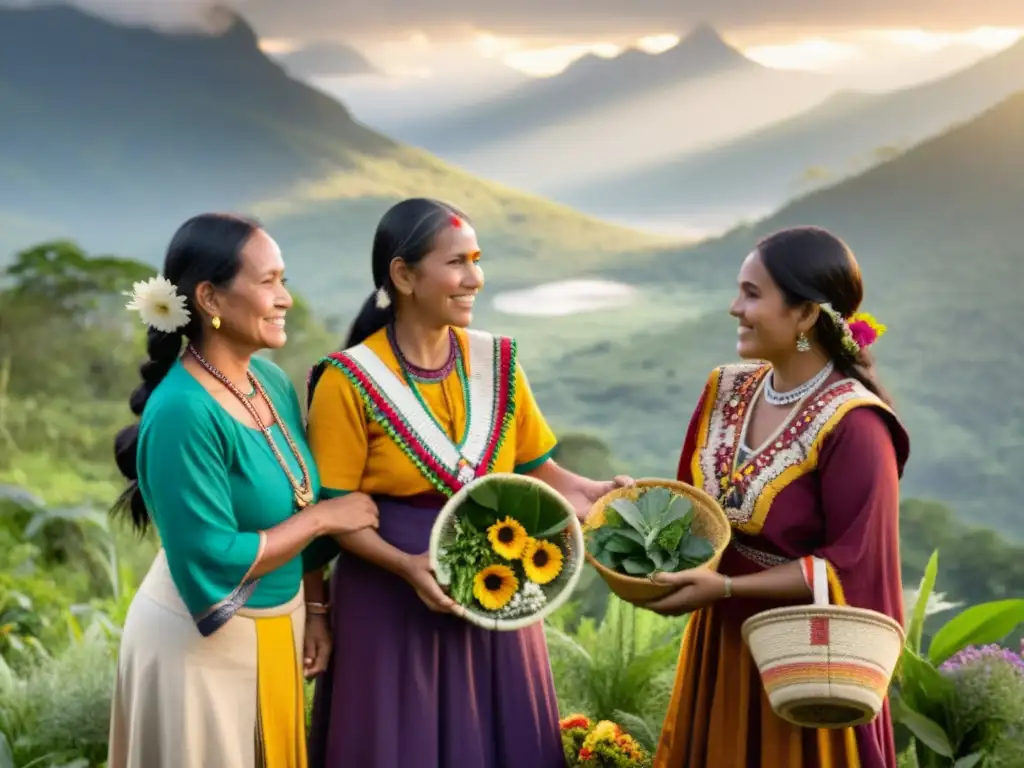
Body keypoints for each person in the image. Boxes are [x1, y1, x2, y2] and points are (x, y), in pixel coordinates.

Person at [303, 197, 632, 768]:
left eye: (477, 260)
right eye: (457, 262)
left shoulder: (498, 363)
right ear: (403, 275)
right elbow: (333, 515)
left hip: (496, 589)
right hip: (391, 602)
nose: (474, 278)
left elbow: (538, 471)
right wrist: (404, 565)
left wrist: (594, 493)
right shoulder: (347, 382)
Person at [106, 213, 379, 768]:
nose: (286, 299)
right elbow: (212, 554)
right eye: (269, 281)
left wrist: (317, 608)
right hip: (198, 649)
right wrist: (326, 520)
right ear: (210, 297)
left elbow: (299, 494)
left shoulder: (270, 381)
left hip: (281, 629)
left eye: (284, 279)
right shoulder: (183, 410)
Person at [638, 226, 909, 768]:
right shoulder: (726, 390)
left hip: (808, 658)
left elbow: (852, 566)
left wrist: (729, 586)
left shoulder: (856, 426)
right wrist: (636, 513)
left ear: (806, 315)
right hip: (721, 644)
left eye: (753, 294)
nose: (735, 308)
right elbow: (698, 510)